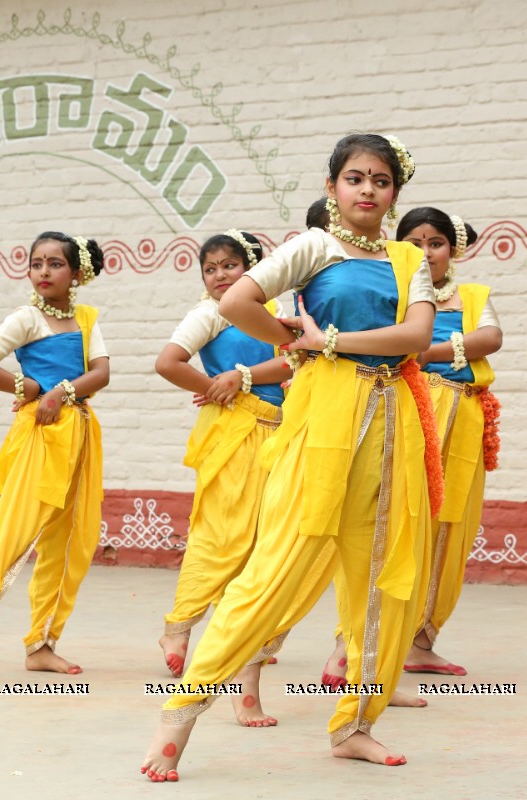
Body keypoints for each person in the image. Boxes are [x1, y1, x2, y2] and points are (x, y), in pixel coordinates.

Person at [141, 133, 443, 781]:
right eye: (356, 178)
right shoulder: (313, 247)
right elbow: (233, 301)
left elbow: (416, 336)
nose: (368, 190)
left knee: (384, 575)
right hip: (325, 415)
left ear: (395, 192)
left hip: (393, 421)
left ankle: (357, 724)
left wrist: (328, 339)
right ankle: (180, 715)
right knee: (275, 566)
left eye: (381, 181)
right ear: (334, 186)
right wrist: (292, 342)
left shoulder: (406, 259)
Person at [320, 207, 502, 683]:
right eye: (415, 243)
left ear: (452, 249)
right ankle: (351, 642)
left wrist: (433, 350)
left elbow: (491, 338)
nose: (426, 252)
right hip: (408, 409)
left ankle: (420, 642)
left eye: (436, 242)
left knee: (450, 532)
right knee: (390, 524)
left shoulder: (473, 296)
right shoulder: (395, 291)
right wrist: (442, 349)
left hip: (463, 417)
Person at [0, 232, 108, 682]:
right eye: (36, 264)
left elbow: (101, 373)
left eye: (55, 264)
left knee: (72, 541)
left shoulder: (87, 319)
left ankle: (42, 643)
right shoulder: (26, 319)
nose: (44, 272)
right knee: (12, 536)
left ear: (76, 274)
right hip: (42, 437)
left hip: (81, 435)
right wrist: (28, 388)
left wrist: (60, 391)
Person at [154, 230, 286, 726]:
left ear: (254, 270)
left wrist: (245, 376)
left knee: (268, 551)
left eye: (230, 265)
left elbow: (295, 359)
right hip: (234, 434)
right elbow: (168, 362)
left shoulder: (274, 313)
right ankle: (180, 627)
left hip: (282, 434)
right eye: (210, 269)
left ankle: (246, 676)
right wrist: (218, 385)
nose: (218, 276)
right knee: (223, 538)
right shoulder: (208, 314)